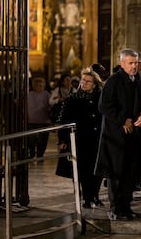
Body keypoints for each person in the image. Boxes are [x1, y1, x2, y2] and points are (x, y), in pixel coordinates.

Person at [95, 48, 141, 220]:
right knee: (116, 173)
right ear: (122, 63)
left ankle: (126, 206)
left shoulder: (138, 81)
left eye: (136, 63)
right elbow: (104, 106)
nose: (134, 66)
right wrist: (122, 120)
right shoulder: (113, 81)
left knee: (130, 173)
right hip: (115, 136)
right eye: (130, 63)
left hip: (132, 136)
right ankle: (116, 208)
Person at [56, 67, 104, 208]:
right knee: (83, 170)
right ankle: (87, 197)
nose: (84, 83)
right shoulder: (73, 99)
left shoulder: (101, 98)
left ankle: (94, 195)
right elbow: (64, 120)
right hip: (81, 139)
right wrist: (63, 139)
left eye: (88, 81)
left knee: (98, 169)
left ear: (95, 84)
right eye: (83, 80)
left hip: (98, 139)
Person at [27, 77, 51, 159]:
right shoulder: (30, 94)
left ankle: (40, 154)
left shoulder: (46, 94)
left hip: (44, 120)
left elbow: (50, 105)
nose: (40, 86)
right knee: (31, 140)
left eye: (41, 84)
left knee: (43, 140)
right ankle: (32, 153)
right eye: (38, 84)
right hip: (32, 120)